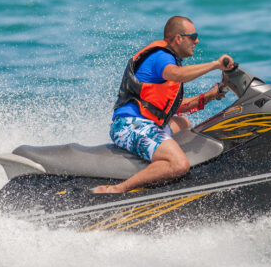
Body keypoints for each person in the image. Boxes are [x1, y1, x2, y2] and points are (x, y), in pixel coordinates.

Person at [93, 16, 234, 194]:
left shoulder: (169, 58)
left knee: (184, 124)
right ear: (178, 38)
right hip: (130, 125)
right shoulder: (162, 57)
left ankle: (163, 165)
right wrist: (215, 65)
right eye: (193, 36)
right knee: (180, 164)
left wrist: (212, 95)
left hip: (146, 123)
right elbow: (176, 74)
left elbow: (174, 107)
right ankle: (118, 189)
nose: (197, 41)